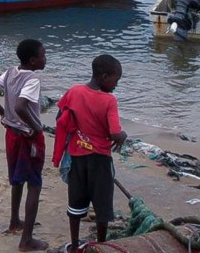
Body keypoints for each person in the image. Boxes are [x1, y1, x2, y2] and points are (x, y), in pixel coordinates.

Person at [52, 55, 128, 253]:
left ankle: (75, 244)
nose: (116, 85)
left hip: (77, 157)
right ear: (104, 77)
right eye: (116, 80)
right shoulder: (109, 100)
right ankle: (101, 246)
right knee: (102, 205)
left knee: (76, 203)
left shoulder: (74, 91)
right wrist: (122, 136)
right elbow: (114, 132)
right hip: (100, 159)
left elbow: (60, 117)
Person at [0, 39, 49, 252]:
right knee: (34, 184)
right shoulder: (32, 79)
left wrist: (3, 114)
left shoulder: (10, 72)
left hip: (11, 133)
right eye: (43, 55)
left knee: (17, 179)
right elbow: (21, 106)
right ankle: (27, 240)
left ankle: (14, 221)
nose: (45, 58)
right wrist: (36, 126)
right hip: (27, 136)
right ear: (32, 60)